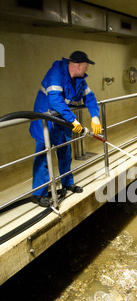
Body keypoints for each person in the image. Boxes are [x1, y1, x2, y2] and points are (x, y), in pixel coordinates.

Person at [29, 51, 102, 207]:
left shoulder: (79, 79)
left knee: (65, 153)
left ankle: (67, 183)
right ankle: (39, 194)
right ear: (77, 65)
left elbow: (89, 97)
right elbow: (55, 100)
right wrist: (73, 120)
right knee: (43, 157)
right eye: (85, 67)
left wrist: (95, 116)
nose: (86, 70)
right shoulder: (55, 73)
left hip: (63, 120)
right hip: (46, 120)